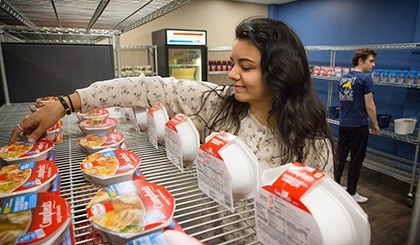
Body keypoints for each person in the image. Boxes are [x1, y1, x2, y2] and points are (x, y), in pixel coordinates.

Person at [10, 17, 334, 179]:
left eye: (245, 66)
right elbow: (147, 87)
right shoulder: (217, 102)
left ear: (281, 73)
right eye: (233, 63)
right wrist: (65, 104)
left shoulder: (311, 141)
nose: (232, 74)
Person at [334, 48, 379, 203]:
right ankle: (352, 192)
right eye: (371, 61)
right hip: (358, 125)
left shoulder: (342, 78)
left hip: (344, 123)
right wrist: (375, 123)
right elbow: (370, 105)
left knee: (340, 158)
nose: (373, 64)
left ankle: (334, 188)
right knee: (356, 160)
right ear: (361, 61)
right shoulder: (366, 78)